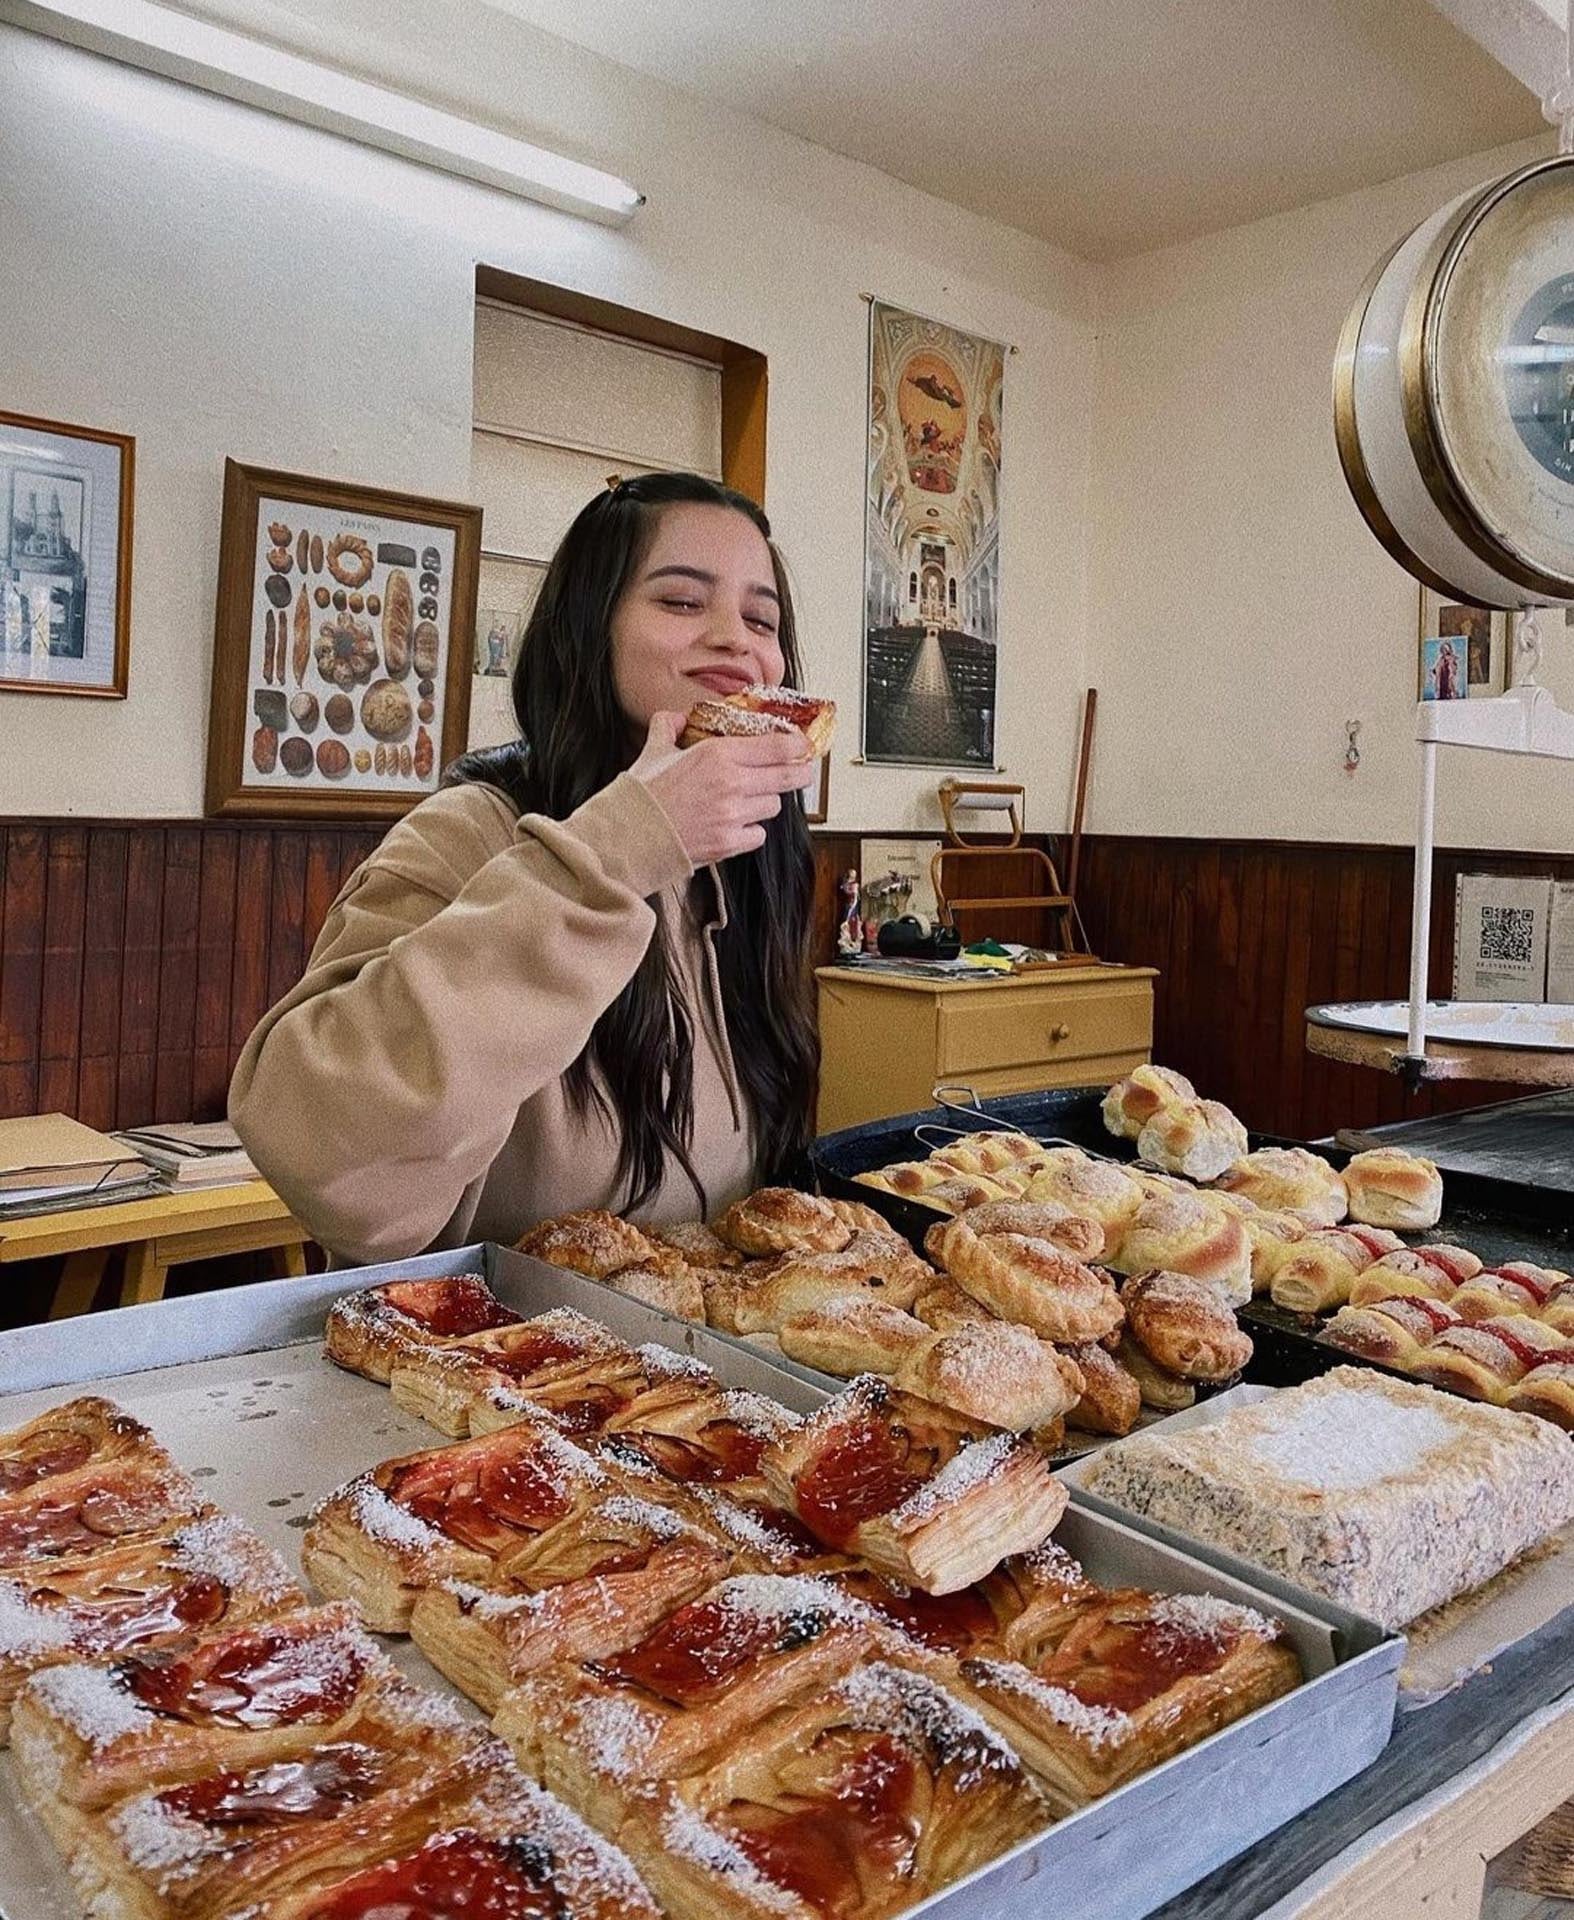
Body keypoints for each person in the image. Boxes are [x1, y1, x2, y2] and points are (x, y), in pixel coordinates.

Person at [229, 472, 822, 1266]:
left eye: (761, 618)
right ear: (588, 627)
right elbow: (327, 1160)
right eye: (683, 601)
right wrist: (615, 853)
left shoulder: (743, 864)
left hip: (701, 1338)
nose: (735, 640)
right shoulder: (467, 833)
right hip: (483, 1335)